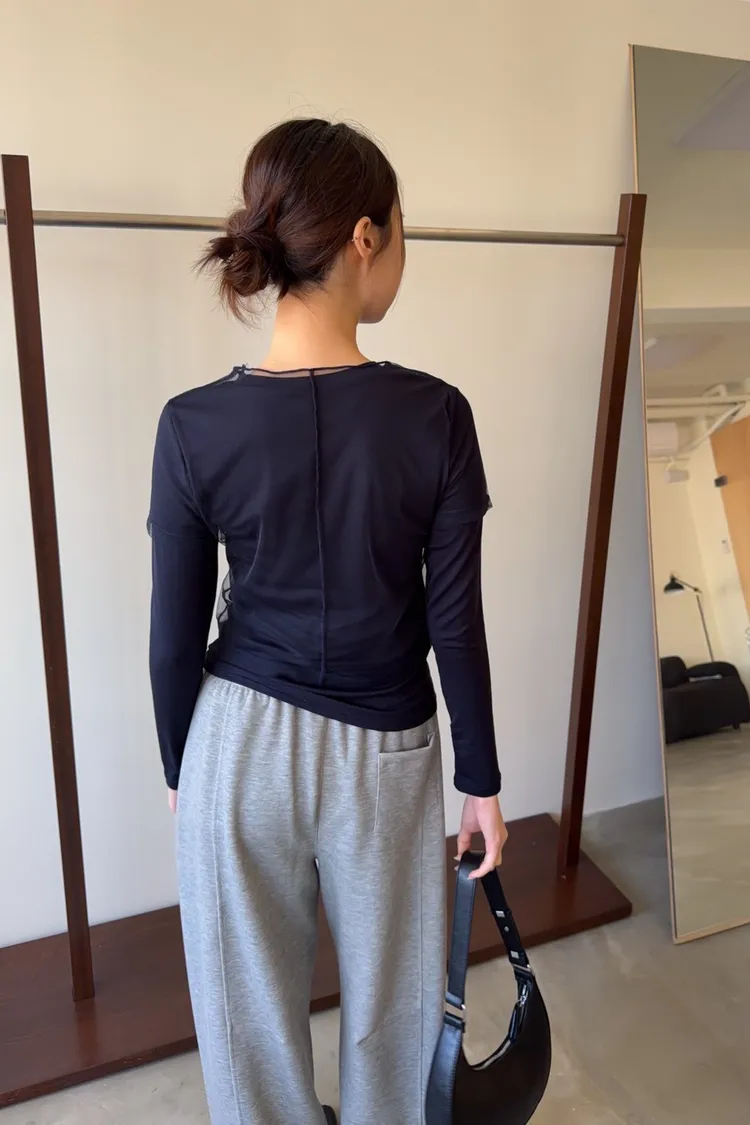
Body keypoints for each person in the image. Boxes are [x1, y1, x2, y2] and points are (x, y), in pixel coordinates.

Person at [148, 118, 507, 1125]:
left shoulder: (192, 424)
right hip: (386, 751)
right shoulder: (436, 414)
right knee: (396, 1026)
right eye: (401, 230)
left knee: (248, 1039)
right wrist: (480, 780)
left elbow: (173, 635)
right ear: (364, 236)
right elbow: (454, 619)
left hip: (234, 743)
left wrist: (182, 764)